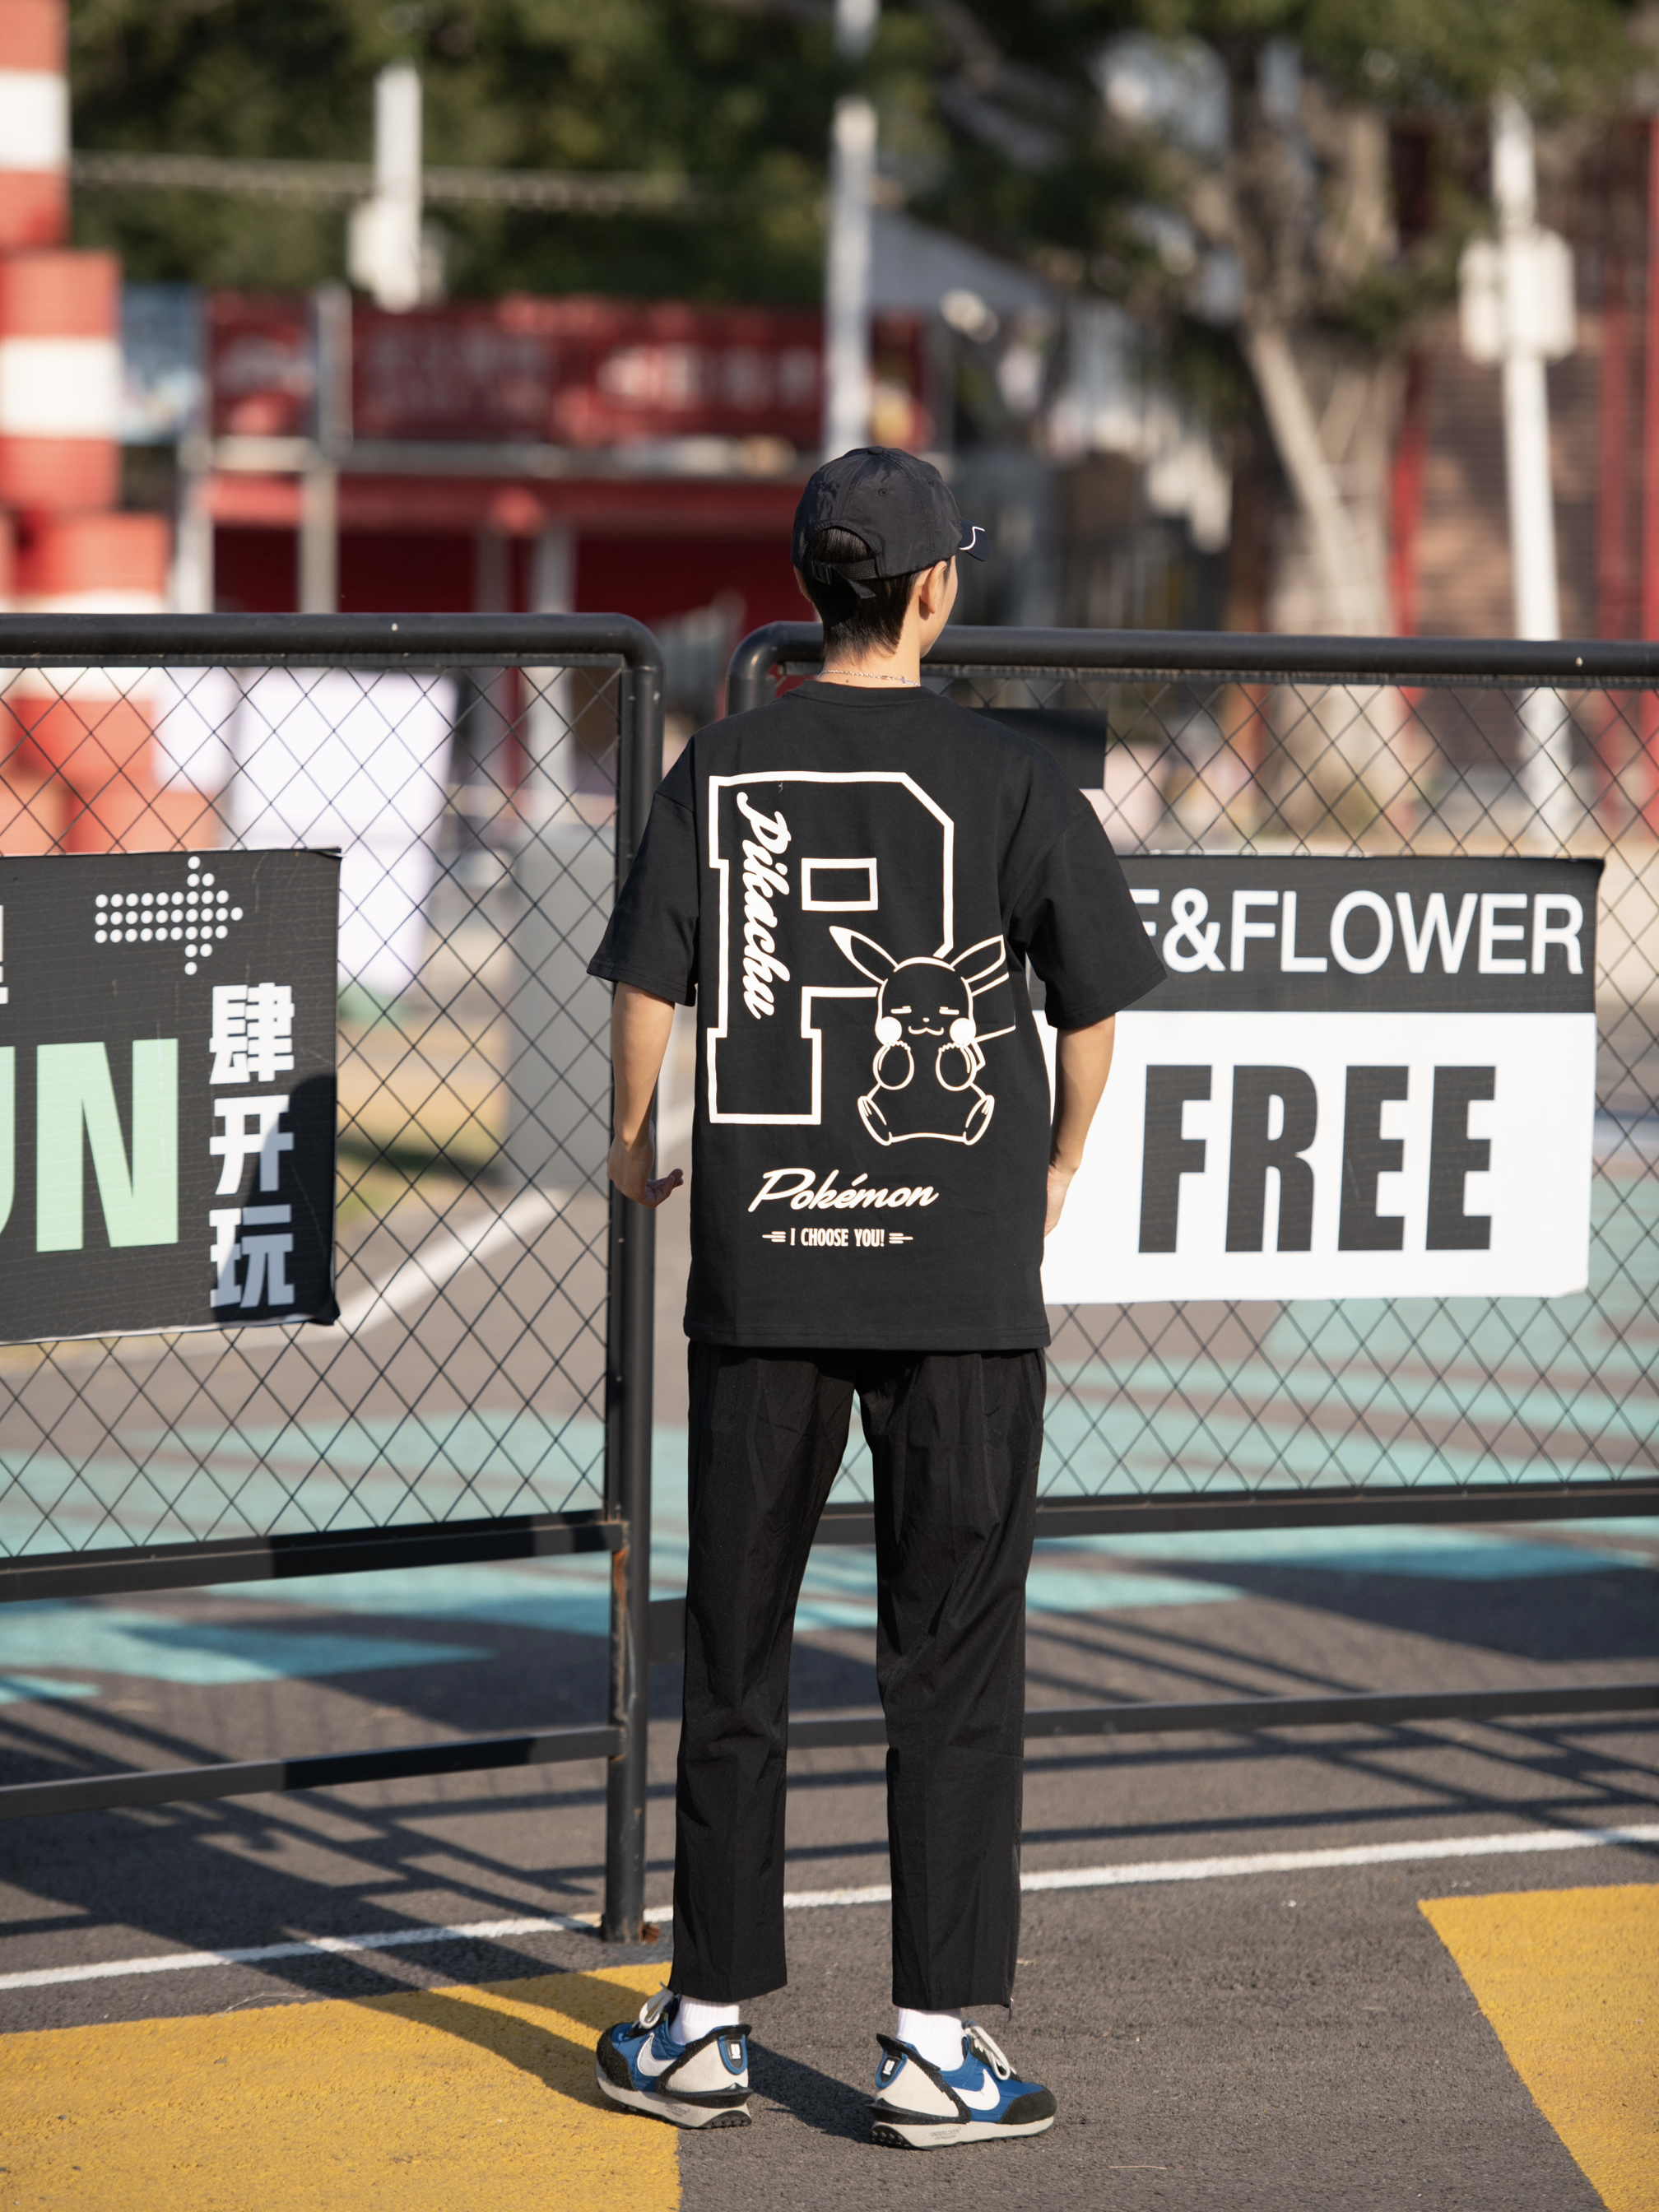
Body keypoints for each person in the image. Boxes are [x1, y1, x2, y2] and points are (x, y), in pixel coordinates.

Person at [586, 446, 1165, 2149]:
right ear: (934, 592)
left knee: (736, 1648)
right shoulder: (1008, 777)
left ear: (809, 594)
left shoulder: (724, 766)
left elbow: (648, 983)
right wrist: (1055, 1167)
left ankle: (704, 2026)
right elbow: (1092, 1010)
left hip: (767, 1275)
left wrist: (635, 1139)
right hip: (962, 1287)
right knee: (952, 1656)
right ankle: (931, 2046)